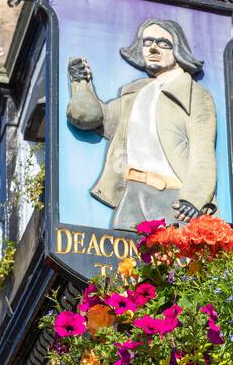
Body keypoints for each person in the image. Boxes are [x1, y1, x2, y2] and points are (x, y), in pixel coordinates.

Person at [66, 17, 218, 232]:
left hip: (174, 198)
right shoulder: (135, 93)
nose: (153, 48)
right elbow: (90, 118)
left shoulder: (195, 94)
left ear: (178, 49)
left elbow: (203, 152)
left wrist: (193, 199)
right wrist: (81, 83)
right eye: (147, 42)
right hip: (131, 194)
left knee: (176, 265)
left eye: (163, 43)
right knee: (120, 264)